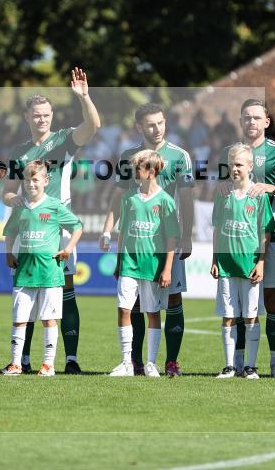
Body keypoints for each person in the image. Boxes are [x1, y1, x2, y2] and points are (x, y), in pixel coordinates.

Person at [2, 68, 100, 374]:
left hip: (58, 227)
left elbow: (93, 126)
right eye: (37, 115)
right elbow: (7, 191)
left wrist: (84, 97)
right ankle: (24, 360)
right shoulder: (18, 152)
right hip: (30, 227)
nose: (42, 119)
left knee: (65, 291)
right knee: (28, 293)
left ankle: (69, 359)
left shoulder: (64, 140)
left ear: (52, 115)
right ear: (27, 117)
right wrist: (12, 199)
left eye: (46, 114)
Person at [101, 102, 193, 377]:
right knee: (137, 304)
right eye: (151, 124)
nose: (157, 128)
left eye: (161, 122)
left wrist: (186, 237)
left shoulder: (180, 156)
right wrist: (108, 229)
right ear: (139, 126)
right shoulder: (130, 156)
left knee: (173, 299)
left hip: (166, 243)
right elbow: (119, 198)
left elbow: (186, 200)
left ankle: (171, 362)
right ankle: (137, 362)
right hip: (136, 244)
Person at [217, 99, 275, 378]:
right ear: (240, 122)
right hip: (236, 243)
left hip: (269, 238)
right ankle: (237, 364)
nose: (251, 122)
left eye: (256, 118)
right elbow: (221, 190)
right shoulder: (229, 153)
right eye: (246, 118)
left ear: (267, 122)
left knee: (272, 301)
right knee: (239, 306)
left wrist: (269, 187)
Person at [2, 160, 84, 376]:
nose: (31, 184)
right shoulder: (19, 208)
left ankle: (48, 365)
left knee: (49, 320)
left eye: (35, 179)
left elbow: (77, 226)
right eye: (27, 179)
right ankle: (16, 363)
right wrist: (9, 252)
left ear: (46, 181)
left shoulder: (55, 206)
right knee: (20, 319)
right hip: (24, 273)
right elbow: (10, 231)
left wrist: (68, 248)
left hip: (49, 273)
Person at [109, 150, 179, 377]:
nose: (134, 171)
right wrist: (119, 261)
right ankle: (126, 362)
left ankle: (151, 363)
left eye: (138, 167)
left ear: (151, 171)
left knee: (152, 313)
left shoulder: (166, 201)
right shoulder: (129, 198)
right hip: (129, 263)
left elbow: (171, 239)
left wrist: (167, 268)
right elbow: (122, 233)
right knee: (124, 309)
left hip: (153, 267)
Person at [211, 145, 274, 379]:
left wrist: (261, 262)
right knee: (228, 315)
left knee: (250, 315)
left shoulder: (259, 196)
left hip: (249, 264)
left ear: (250, 166)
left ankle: (250, 366)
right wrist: (215, 259)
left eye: (239, 164)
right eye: (231, 164)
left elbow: (264, 232)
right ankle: (229, 366)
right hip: (226, 264)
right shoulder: (223, 193)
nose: (234, 169)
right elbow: (217, 228)